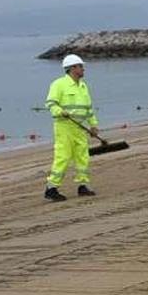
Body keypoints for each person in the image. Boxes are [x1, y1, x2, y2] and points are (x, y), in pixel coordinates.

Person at [44, 54, 100, 201]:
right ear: (72, 68)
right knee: (63, 157)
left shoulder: (83, 86)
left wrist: (93, 124)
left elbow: (88, 108)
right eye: (80, 66)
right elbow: (51, 103)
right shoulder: (59, 84)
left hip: (80, 127)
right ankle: (51, 188)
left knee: (83, 157)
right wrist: (60, 111)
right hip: (64, 126)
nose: (83, 69)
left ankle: (83, 185)